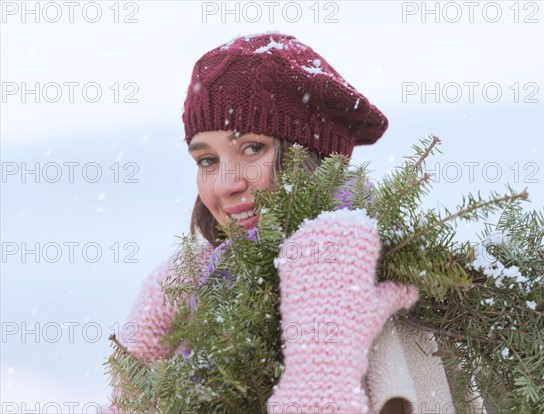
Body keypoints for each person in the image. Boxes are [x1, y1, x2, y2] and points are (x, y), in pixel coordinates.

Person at [109, 33, 478, 413]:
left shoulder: (365, 270)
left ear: (316, 158)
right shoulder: (189, 287)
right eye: (207, 160)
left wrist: (320, 367)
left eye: (253, 147)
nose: (226, 184)